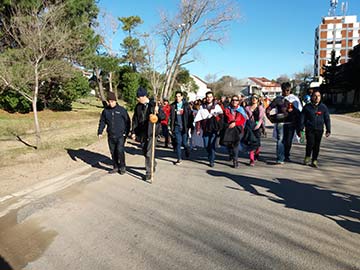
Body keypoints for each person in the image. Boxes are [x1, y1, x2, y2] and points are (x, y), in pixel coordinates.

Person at [131, 87, 165, 181]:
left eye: (138, 97)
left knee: (149, 153)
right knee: (145, 153)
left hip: (152, 132)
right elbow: (135, 120)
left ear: (143, 96)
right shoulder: (138, 106)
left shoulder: (154, 105)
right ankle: (153, 163)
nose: (137, 99)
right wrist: (133, 132)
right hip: (142, 133)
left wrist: (157, 112)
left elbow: (163, 117)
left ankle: (148, 173)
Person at [97, 91, 130, 175]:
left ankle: (122, 167)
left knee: (120, 150)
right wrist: (100, 131)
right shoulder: (105, 111)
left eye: (112, 101)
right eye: (109, 101)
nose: (111, 103)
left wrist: (126, 133)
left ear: (115, 101)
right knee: (113, 151)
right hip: (111, 135)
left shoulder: (122, 110)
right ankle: (115, 166)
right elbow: (102, 122)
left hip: (121, 135)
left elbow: (128, 122)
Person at [299, 90, 331, 168]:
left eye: (319, 96)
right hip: (310, 128)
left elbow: (327, 119)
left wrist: (328, 129)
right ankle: (307, 156)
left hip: (319, 129)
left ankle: (314, 160)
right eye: (315, 96)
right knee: (310, 144)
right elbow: (302, 118)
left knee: (317, 145)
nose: (317, 97)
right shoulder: (307, 107)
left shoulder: (323, 107)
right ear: (312, 97)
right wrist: (301, 128)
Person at [195, 91, 223, 167]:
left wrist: (216, 116)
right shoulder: (202, 107)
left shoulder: (217, 107)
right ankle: (209, 153)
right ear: (205, 98)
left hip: (214, 129)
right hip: (205, 129)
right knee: (206, 145)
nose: (209, 98)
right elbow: (198, 119)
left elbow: (221, 118)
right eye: (207, 97)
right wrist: (198, 129)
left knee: (212, 144)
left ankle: (212, 160)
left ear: (213, 97)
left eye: (210, 97)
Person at [266, 82, 292, 164]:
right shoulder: (278, 99)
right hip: (280, 122)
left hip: (290, 122)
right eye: (285, 90)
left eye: (288, 90)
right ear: (282, 90)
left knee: (288, 141)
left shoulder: (293, 99)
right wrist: (271, 118)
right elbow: (268, 109)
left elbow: (300, 111)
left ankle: (286, 156)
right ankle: (280, 158)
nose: (286, 92)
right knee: (280, 140)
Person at [222, 95, 247, 168]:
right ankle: (231, 154)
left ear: (238, 102)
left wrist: (235, 123)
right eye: (233, 100)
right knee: (229, 144)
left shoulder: (241, 109)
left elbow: (243, 120)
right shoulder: (227, 109)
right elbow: (224, 119)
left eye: (236, 100)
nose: (234, 101)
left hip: (238, 129)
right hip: (229, 129)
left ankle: (235, 161)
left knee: (236, 144)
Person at [169, 91, 193, 164]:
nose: (177, 98)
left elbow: (190, 117)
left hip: (184, 127)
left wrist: (190, 126)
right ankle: (179, 159)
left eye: (179, 96)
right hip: (176, 126)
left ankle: (187, 150)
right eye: (176, 96)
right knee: (178, 143)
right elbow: (170, 117)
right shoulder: (173, 105)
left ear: (182, 97)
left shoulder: (186, 105)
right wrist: (170, 126)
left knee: (184, 143)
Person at [245, 94, 265, 166]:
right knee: (251, 143)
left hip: (258, 127)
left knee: (257, 143)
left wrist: (259, 125)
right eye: (253, 98)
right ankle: (251, 159)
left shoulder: (260, 108)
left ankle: (257, 154)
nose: (254, 99)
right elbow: (246, 118)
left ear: (258, 99)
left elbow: (261, 118)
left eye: (256, 98)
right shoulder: (247, 108)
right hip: (250, 126)